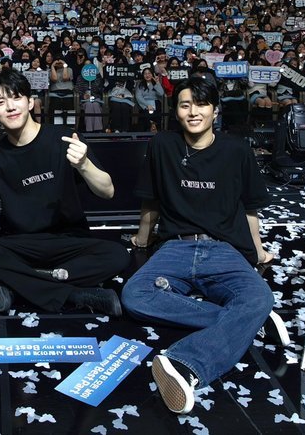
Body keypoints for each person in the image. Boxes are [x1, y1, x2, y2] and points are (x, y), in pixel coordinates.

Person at [120, 76, 288, 415]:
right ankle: (248, 321)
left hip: (224, 249)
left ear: (215, 110)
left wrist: (257, 251)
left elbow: (250, 208)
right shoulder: (162, 145)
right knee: (134, 295)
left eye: (201, 104)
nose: (193, 112)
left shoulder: (237, 150)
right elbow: (150, 201)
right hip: (175, 248)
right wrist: (142, 238)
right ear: (176, 111)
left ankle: (185, 364)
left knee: (259, 297)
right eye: (185, 105)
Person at [0, 69, 129, 316]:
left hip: (69, 242)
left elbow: (107, 191)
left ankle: (22, 284)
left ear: (30, 102)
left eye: (16, 97)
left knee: (117, 255)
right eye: (0, 102)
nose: (10, 107)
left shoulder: (64, 138)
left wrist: (84, 164)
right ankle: (73, 294)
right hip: (21, 246)